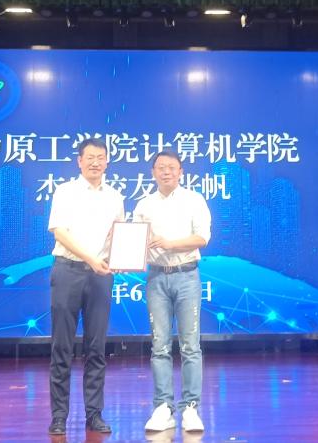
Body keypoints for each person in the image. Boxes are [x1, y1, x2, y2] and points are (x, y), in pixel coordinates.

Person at [46, 138, 124, 435]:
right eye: (90, 157)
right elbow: (59, 232)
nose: (95, 162)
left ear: (107, 162)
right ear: (79, 161)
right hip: (68, 271)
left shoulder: (115, 197)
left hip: (100, 275)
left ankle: (94, 414)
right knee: (62, 346)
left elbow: (118, 236)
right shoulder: (65, 191)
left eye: (100, 157)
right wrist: (91, 258)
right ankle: (59, 416)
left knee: (96, 347)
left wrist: (120, 257)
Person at [133, 151, 212, 433]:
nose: (166, 171)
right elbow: (135, 243)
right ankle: (163, 407)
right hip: (156, 278)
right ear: (153, 172)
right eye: (160, 167)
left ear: (181, 172)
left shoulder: (194, 200)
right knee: (160, 346)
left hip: (187, 275)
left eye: (171, 167)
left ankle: (190, 407)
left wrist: (168, 243)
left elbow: (202, 238)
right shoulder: (144, 205)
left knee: (190, 345)